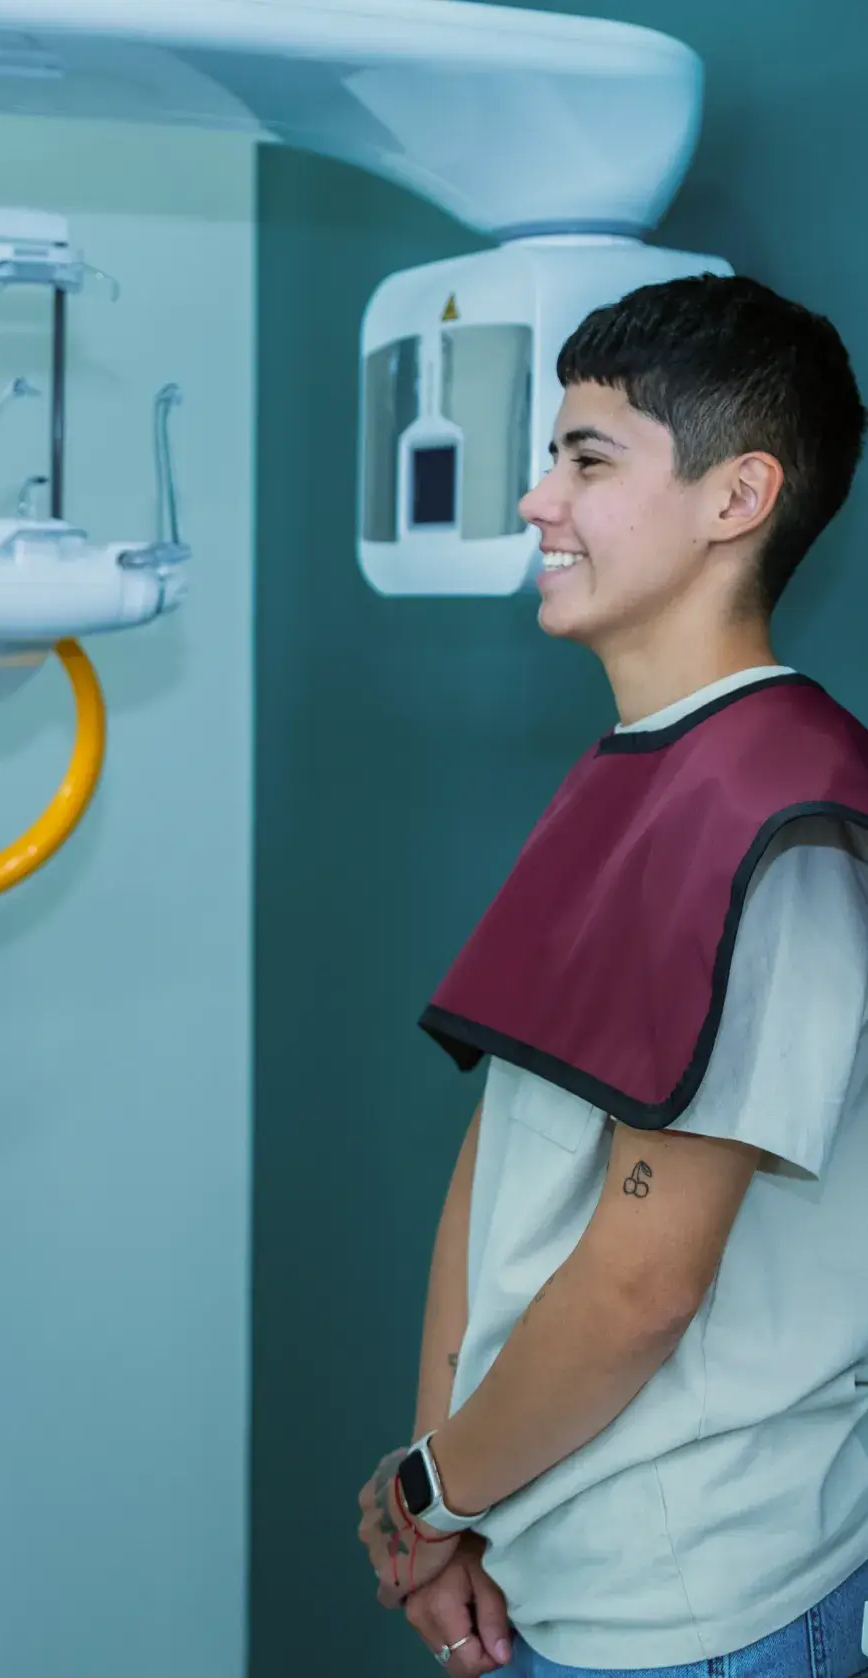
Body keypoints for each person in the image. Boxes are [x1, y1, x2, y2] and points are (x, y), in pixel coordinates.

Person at [354, 275, 868, 1676]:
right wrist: (443, 1495)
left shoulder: (779, 816)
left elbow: (643, 1282)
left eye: (585, 460)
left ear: (735, 495)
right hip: (538, 1552)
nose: (535, 501)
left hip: (696, 1598)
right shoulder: (639, 766)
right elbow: (504, 1147)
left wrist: (430, 1491)